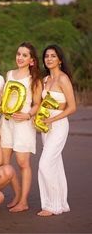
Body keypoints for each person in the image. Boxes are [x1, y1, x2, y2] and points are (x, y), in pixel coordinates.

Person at [0, 42, 42, 212]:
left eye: (25, 55)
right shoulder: (9, 74)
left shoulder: (35, 79)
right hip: (6, 123)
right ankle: (17, 195)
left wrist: (27, 115)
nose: (20, 57)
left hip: (24, 124)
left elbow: (37, 104)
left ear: (32, 60)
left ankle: (23, 201)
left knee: (22, 162)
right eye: (18, 54)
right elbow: (4, 98)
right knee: (5, 162)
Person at [37, 44, 76, 217]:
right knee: (55, 164)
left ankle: (52, 206)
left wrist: (52, 119)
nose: (49, 59)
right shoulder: (44, 80)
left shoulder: (63, 79)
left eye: (53, 56)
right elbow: (38, 105)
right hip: (45, 127)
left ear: (60, 59)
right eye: (46, 56)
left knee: (45, 164)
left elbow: (72, 107)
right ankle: (60, 203)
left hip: (58, 125)